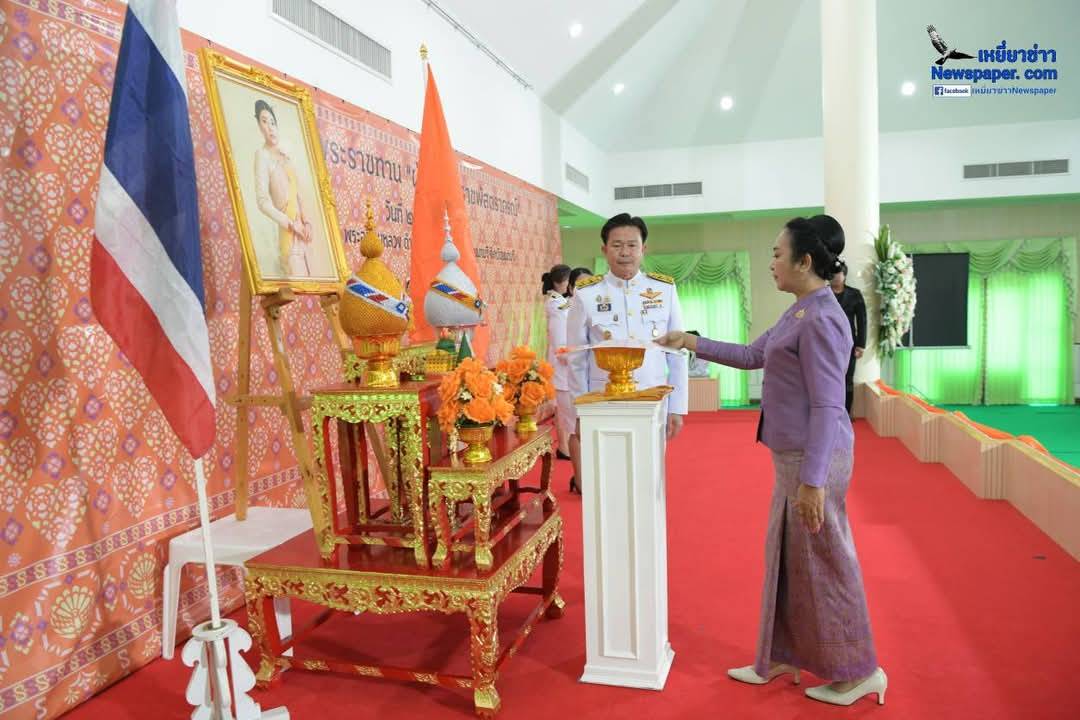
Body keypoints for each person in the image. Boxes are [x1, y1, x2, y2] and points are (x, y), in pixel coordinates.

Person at [657, 215, 886, 707]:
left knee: (827, 564)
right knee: (785, 559)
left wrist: (814, 481)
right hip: (795, 458)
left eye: (778, 254)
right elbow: (748, 354)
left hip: (814, 459)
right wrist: (689, 341)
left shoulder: (823, 318)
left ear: (805, 262)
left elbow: (829, 405)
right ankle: (781, 655)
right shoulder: (800, 310)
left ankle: (860, 670)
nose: (772, 263)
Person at [567, 213, 688, 452]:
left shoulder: (664, 289)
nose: (625, 252)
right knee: (608, 471)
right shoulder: (586, 293)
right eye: (617, 245)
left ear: (643, 248)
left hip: (653, 399)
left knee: (651, 475)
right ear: (604, 249)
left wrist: (677, 407)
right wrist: (579, 412)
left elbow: (677, 352)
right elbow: (576, 359)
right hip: (602, 401)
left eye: (632, 245)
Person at [253, 99, 313, 277]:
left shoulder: (286, 155)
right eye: (264, 122)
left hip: (304, 232)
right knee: (297, 280)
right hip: (288, 230)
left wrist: (307, 222)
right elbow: (262, 202)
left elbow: (299, 193)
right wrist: (290, 224)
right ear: (259, 125)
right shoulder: (262, 156)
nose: (270, 127)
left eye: (272, 122)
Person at [542, 264, 575, 466]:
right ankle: (563, 447)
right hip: (562, 360)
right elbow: (558, 340)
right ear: (562, 282)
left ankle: (565, 446)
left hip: (566, 360)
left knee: (564, 407)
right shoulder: (555, 304)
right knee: (563, 408)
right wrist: (567, 355)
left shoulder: (562, 301)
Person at [829, 260, 866, 415]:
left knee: (847, 379)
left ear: (844, 275)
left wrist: (861, 345)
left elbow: (862, 320)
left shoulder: (855, 294)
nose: (836, 277)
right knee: (828, 379)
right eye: (833, 274)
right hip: (827, 343)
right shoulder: (823, 294)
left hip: (849, 344)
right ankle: (830, 413)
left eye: (839, 274)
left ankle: (845, 413)